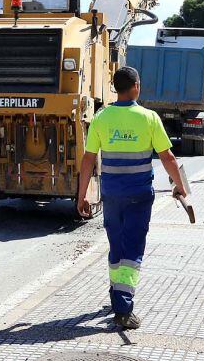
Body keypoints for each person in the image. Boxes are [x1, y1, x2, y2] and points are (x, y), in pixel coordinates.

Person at [77, 66, 188, 330]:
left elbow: (88, 160)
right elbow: (168, 158)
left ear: (116, 87)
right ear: (136, 86)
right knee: (132, 251)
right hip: (139, 196)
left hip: (112, 195)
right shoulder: (149, 118)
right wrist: (180, 186)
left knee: (117, 246)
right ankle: (124, 309)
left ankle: (117, 293)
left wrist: (81, 196)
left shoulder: (102, 118)